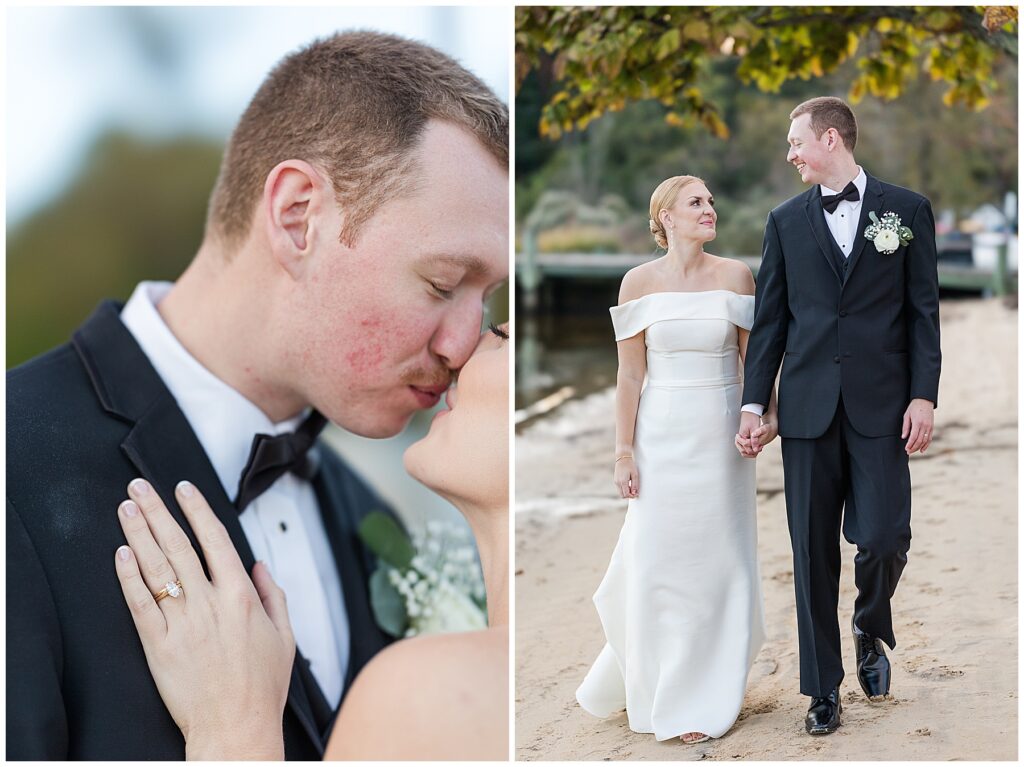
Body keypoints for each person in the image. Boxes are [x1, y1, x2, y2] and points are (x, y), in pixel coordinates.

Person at [6, 31, 508, 760]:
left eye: (485, 299)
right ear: (298, 215)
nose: (463, 343)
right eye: (441, 283)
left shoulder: (369, 516)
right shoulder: (10, 461)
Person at [111, 322, 510, 760]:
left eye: (500, 333)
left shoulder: (421, 691)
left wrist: (233, 731)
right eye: (443, 284)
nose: (462, 350)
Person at [738, 96, 940, 735]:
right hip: (805, 410)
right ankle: (822, 689)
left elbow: (922, 313)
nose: (790, 152)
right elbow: (771, 321)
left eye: (796, 141)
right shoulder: (784, 221)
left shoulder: (906, 211)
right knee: (811, 555)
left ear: (831, 138)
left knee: (883, 538)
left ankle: (869, 625)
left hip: (884, 404)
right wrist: (753, 403)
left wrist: (924, 394)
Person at [575, 175, 774, 743]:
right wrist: (622, 452)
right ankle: (661, 681)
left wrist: (764, 417)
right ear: (665, 216)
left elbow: (753, 362)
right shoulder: (636, 284)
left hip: (721, 440)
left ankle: (706, 693)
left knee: (718, 560)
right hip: (660, 439)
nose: (709, 209)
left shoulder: (736, 275)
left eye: (712, 200)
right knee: (659, 562)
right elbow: (630, 375)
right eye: (696, 202)